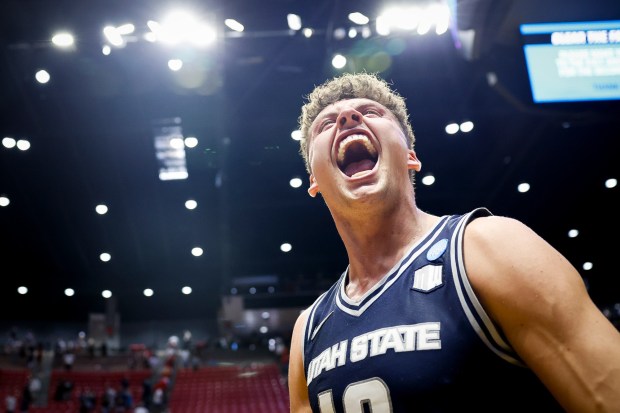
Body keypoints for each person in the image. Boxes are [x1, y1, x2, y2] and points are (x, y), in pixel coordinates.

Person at [287, 72, 620, 412]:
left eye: (372, 113)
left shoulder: (489, 246)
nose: (347, 118)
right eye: (326, 124)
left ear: (410, 156)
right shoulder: (309, 330)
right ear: (313, 179)